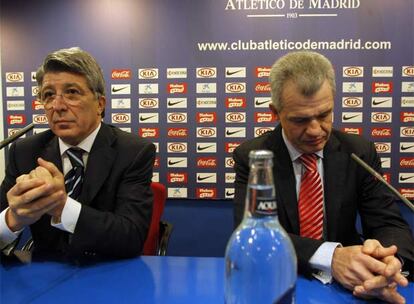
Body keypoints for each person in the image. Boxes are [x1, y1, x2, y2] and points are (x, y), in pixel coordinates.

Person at [233, 51, 414, 303]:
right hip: (283, 283)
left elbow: (388, 223)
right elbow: (254, 235)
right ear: (275, 112)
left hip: (352, 289)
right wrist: (332, 257)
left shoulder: (359, 151)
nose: (316, 130)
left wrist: (388, 262)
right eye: (300, 120)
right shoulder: (253, 157)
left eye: (324, 114)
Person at [0, 47, 155, 262]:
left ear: (100, 104)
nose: (58, 106)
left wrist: (62, 207)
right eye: (48, 95)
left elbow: (131, 236)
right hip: (45, 278)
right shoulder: (25, 152)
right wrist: (13, 218)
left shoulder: (133, 151)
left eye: (72, 93)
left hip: (110, 275)